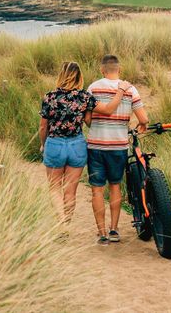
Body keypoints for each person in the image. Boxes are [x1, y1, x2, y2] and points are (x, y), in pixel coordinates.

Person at [38, 61, 128, 224]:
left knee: (54, 189)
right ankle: (67, 223)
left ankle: (61, 221)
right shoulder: (84, 97)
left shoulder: (49, 97)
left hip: (55, 143)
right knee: (71, 192)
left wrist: (43, 144)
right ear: (79, 77)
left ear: (61, 76)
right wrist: (120, 91)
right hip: (77, 145)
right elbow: (108, 110)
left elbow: (43, 127)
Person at [86, 54, 148, 245]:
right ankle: (114, 230)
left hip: (96, 145)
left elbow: (87, 120)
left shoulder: (92, 88)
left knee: (97, 190)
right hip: (118, 146)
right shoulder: (130, 89)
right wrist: (141, 126)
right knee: (115, 186)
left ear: (102, 69)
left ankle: (102, 233)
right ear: (119, 69)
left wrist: (96, 123)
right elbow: (143, 118)